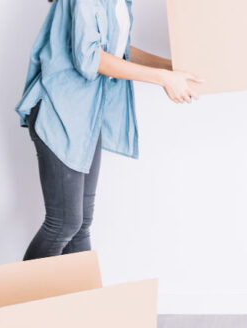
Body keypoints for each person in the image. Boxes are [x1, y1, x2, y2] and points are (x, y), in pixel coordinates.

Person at [16, 0, 201, 260]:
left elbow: (119, 50)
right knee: (64, 223)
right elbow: (90, 58)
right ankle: (20, 299)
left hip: (86, 116)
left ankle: (83, 300)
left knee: (80, 225)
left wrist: (172, 68)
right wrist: (163, 78)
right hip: (59, 111)